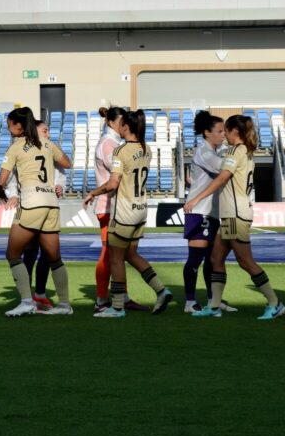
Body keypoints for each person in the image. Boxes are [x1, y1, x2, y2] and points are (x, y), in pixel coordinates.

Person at [187, 115, 284, 320]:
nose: (224, 135)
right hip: (233, 214)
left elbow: (223, 177)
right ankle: (214, 306)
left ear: (234, 132)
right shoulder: (246, 152)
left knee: (246, 262)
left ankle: (275, 303)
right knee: (216, 258)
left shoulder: (235, 151)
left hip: (235, 214)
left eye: (226, 131)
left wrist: (196, 199)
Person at [84, 110, 173, 318]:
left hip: (123, 210)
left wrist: (93, 192)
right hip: (141, 209)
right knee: (131, 255)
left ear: (126, 127)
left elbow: (113, 182)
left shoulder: (120, 151)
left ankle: (116, 307)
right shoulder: (146, 148)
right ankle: (161, 289)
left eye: (122, 125)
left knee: (115, 259)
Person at [0, 107, 73, 317]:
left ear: (18, 126)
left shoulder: (16, 147)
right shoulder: (47, 143)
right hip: (51, 203)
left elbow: (1, 180)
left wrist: (2, 192)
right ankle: (65, 304)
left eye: (10, 124)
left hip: (31, 202)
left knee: (12, 254)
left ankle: (27, 301)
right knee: (54, 258)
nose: (8, 128)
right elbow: (67, 162)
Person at [91, 106, 146, 312]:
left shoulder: (115, 144)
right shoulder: (109, 144)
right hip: (108, 205)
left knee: (118, 256)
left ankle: (121, 297)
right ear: (113, 122)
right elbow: (118, 175)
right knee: (109, 254)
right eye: (123, 122)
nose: (125, 126)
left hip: (117, 206)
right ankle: (102, 299)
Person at [183, 111, 235, 314]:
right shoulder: (204, 153)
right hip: (199, 211)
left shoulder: (216, 150)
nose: (223, 134)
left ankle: (214, 299)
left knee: (212, 259)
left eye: (224, 131)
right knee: (196, 258)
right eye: (219, 131)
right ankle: (189, 301)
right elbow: (226, 169)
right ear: (206, 132)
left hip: (211, 212)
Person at [19, 120, 66, 310]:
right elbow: (15, 175)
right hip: (31, 205)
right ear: (34, 131)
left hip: (48, 206)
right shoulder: (24, 150)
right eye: (44, 130)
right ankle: (26, 296)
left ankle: (39, 293)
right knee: (29, 253)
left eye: (48, 130)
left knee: (48, 253)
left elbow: (61, 172)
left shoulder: (51, 148)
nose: (48, 133)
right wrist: (14, 194)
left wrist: (60, 185)